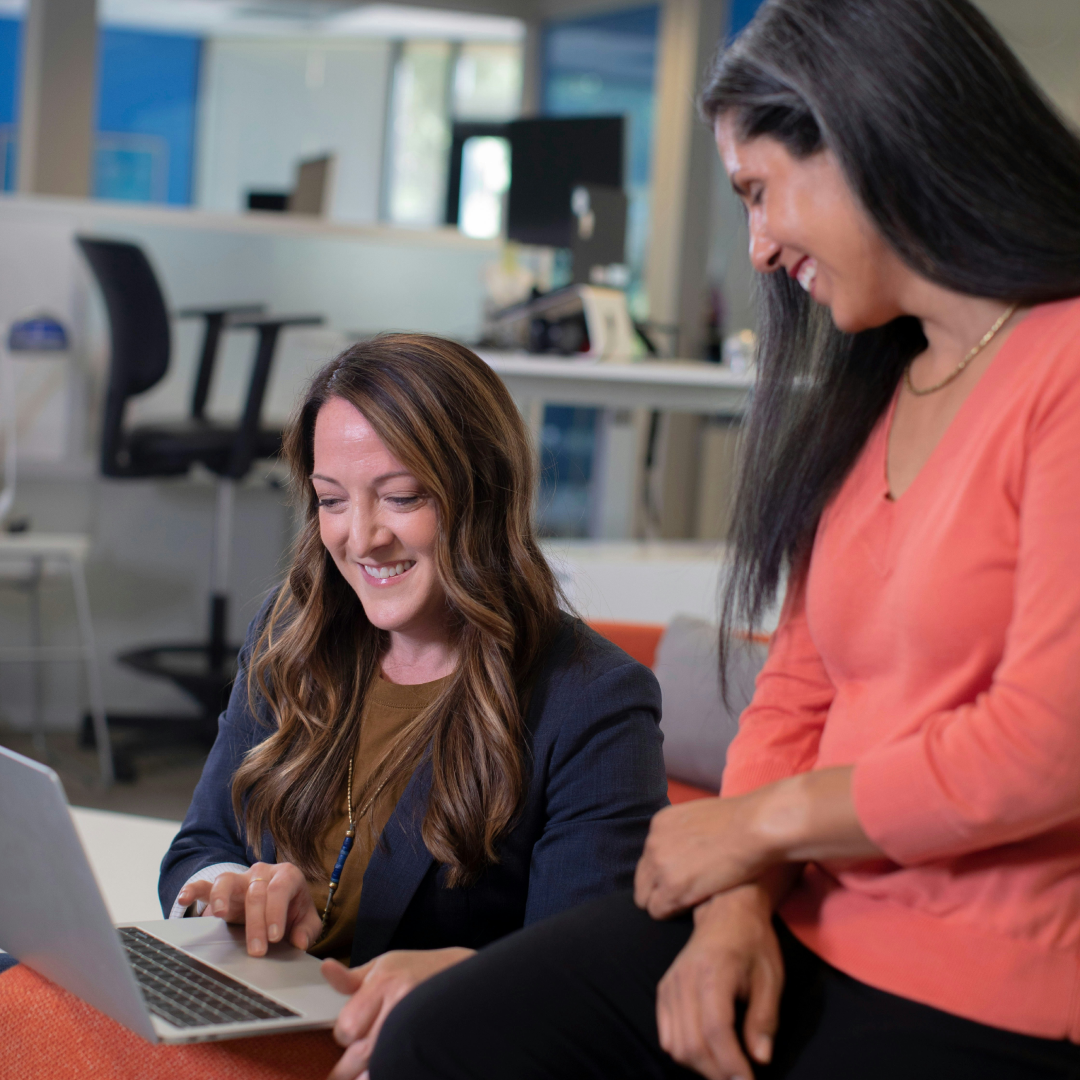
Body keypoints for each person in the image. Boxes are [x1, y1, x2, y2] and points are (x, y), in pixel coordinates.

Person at [359, 2, 1080, 1078]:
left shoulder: (1062, 369)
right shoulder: (883, 383)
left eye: (758, 191)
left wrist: (755, 832)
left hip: (988, 981)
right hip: (802, 915)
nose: (757, 245)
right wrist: (736, 907)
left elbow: (1045, 745)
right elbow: (796, 690)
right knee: (443, 1036)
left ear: (867, 133)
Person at [158, 333, 667, 1078]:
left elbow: (587, 981)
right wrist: (226, 897)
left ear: (482, 494)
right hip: (250, 1021)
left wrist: (458, 972)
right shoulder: (292, 630)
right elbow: (198, 849)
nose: (361, 536)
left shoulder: (592, 700)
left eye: (401, 497)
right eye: (333, 500)